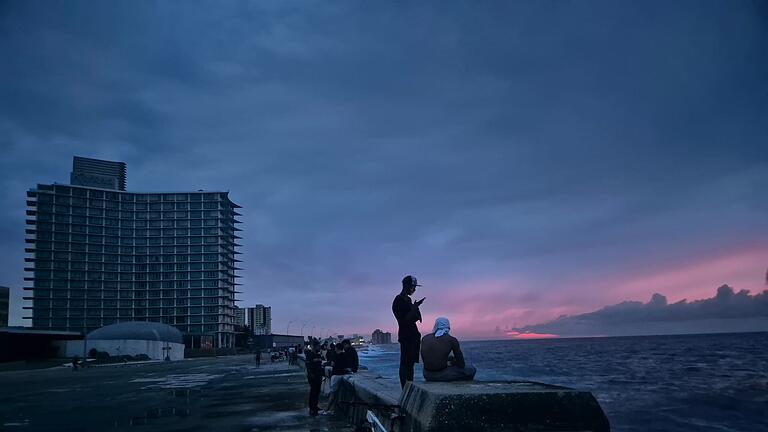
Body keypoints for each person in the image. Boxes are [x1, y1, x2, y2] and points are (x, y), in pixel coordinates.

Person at [392, 274, 425, 388]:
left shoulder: (408, 300)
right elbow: (404, 320)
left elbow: (415, 318)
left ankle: (410, 386)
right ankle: (404, 388)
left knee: (411, 363)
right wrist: (414, 307)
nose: (414, 289)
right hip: (406, 336)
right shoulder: (398, 300)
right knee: (405, 362)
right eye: (412, 287)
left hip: (413, 335)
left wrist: (416, 308)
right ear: (406, 286)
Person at [420, 317, 476, 382]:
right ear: (448, 327)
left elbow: (432, 357)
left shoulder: (425, 338)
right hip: (441, 375)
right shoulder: (452, 340)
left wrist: (447, 359)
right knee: (472, 369)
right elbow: (461, 364)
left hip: (426, 374)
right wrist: (453, 362)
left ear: (436, 326)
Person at [322, 343, 347, 415]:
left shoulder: (335, 356)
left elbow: (332, 364)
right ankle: (333, 409)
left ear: (337, 348)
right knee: (336, 394)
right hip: (343, 374)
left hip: (336, 375)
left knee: (332, 394)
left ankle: (327, 410)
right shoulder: (345, 355)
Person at [305, 340, 324, 416]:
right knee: (313, 392)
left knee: (317, 392)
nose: (319, 347)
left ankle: (315, 406)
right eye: (318, 346)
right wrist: (311, 374)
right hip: (313, 377)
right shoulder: (310, 355)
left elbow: (320, 366)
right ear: (315, 346)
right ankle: (311, 408)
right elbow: (308, 366)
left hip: (319, 376)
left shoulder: (318, 355)